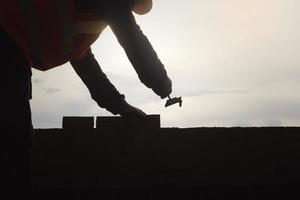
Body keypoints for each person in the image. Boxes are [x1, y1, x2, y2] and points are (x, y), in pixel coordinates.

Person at [0, 0, 172, 197]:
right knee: (12, 143)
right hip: (6, 41)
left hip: (11, 50)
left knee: (14, 138)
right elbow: (135, 44)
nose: (127, 11)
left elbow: (87, 67)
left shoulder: (82, 22)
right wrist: (163, 84)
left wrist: (120, 105)